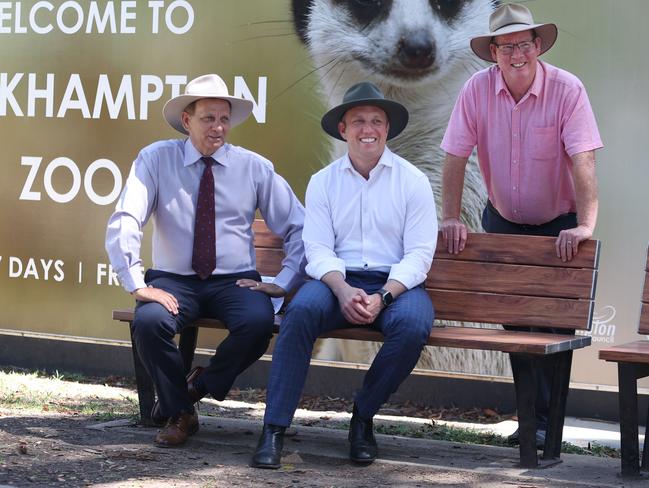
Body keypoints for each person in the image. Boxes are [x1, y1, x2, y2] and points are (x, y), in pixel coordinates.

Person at [105, 74, 306, 448]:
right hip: (173, 279)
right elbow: (126, 218)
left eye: (224, 119)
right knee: (148, 323)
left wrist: (284, 278)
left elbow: (299, 226)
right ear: (187, 120)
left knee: (259, 322)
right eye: (208, 118)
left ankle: (199, 385)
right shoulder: (155, 159)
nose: (218, 127)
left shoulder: (254, 167)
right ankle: (181, 413)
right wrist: (136, 283)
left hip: (235, 281)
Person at [440, 3, 602, 447]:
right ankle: (532, 422)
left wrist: (584, 225)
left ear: (537, 46)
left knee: (556, 328)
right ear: (493, 52)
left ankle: (551, 426)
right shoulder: (475, 90)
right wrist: (451, 216)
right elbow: (455, 155)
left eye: (524, 44)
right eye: (507, 46)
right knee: (517, 328)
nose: (517, 54)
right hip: (504, 222)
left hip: (559, 227)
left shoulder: (568, 89)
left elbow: (583, 158)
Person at [251, 82, 438, 469]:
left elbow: (420, 255)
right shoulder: (324, 181)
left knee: (415, 324)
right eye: (358, 121)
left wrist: (383, 296)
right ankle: (273, 429)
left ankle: (363, 418)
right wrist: (341, 288)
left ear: (387, 129)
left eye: (376, 121)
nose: (367, 129)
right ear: (343, 129)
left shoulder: (413, 182)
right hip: (336, 279)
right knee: (299, 313)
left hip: (396, 284)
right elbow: (317, 249)